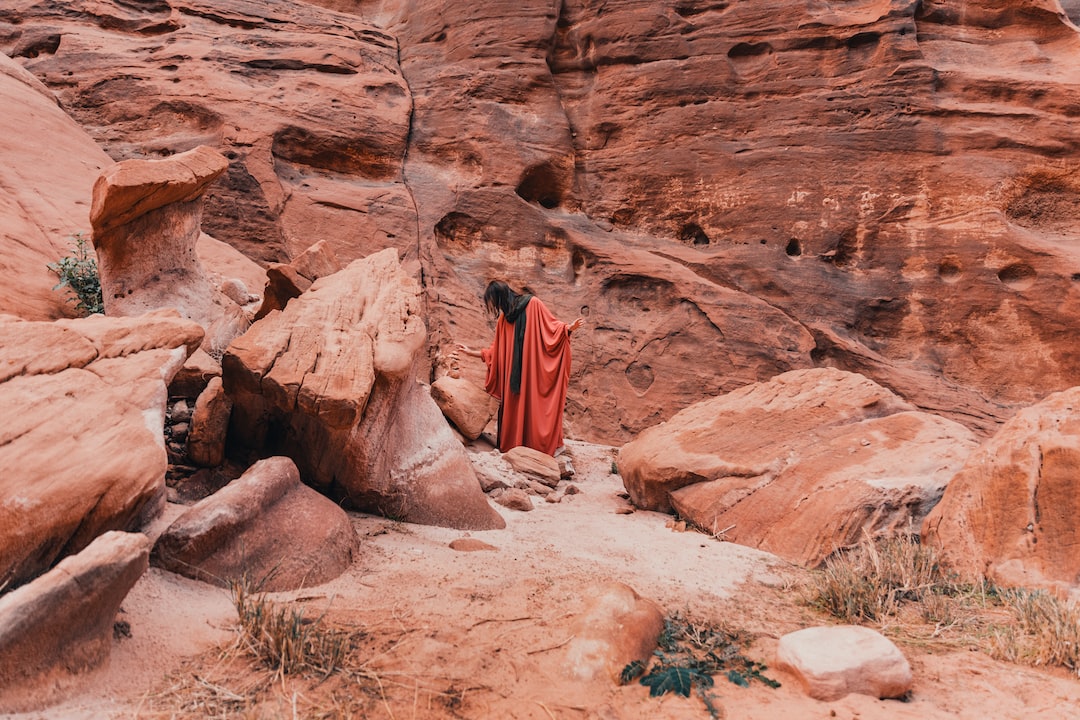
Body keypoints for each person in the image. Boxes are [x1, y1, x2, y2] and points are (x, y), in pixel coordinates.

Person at [457, 280, 583, 456]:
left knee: (534, 410)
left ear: (501, 296)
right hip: (513, 382)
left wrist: (567, 329)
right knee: (516, 411)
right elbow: (497, 351)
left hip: (531, 375)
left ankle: (538, 449)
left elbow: (551, 328)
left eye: (495, 302)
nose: (496, 307)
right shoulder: (503, 320)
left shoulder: (533, 304)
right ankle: (516, 451)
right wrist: (471, 352)